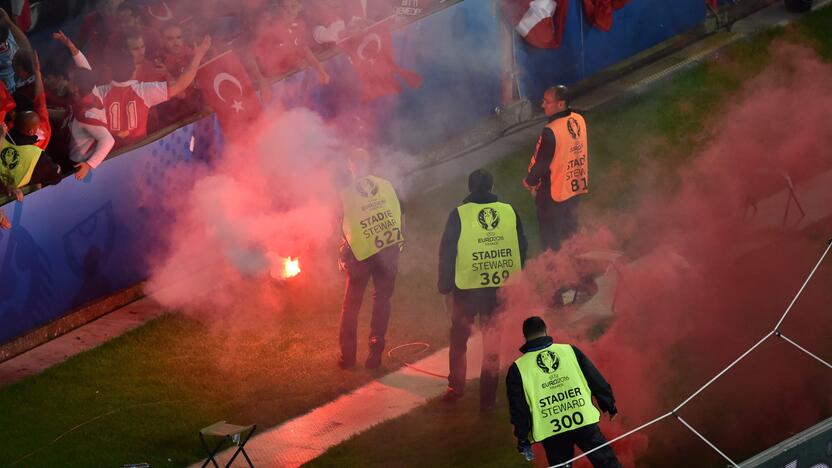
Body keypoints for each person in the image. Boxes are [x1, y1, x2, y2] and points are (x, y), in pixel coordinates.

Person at [438, 169, 528, 411]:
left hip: (466, 290)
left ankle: (455, 387)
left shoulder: (458, 215)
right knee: (492, 342)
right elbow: (521, 246)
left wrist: (445, 286)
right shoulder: (509, 212)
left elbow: (447, 252)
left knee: (458, 338)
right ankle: (488, 402)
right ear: (491, 186)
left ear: (470, 187)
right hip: (497, 290)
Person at [506, 316, 621, 467]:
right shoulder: (570, 351)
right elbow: (595, 379)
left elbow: (518, 408)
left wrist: (522, 437)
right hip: (583, 420)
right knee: (607, 463)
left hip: (552, 431)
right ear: (545, 330)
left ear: (525, 337)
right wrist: (608, 404)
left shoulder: (517, 368)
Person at [337, 148, 403, 370]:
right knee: (382, 301)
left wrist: (344, 255)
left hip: (361, 255)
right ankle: (375, 352)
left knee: (351, 307)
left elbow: (346, 228)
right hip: (388, 250)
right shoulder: (386, 186)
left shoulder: (348, 194)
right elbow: (400, 214)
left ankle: (347, 358)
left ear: (351, 165)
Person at [93, 35, 211, 147]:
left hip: (109, 155)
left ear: (111, 71)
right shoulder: (143, 91)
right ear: (134, 71)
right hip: (138, 150)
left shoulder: (98, 93)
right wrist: (199, 55)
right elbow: (181, 85)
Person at [525, 84, 588, 253]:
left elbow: (541, 164)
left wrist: (530, 181)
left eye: (547, 102)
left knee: (551, 243)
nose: (542, 105)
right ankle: (578, 272)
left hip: (553, 195)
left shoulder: (551, 131)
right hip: (575, 189)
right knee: (571, 236)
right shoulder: (578, 120)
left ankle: (556, 276)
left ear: (560, 104)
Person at [0, 52, 61, 201]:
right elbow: (40, 98)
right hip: (32, 177)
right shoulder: (43, 125)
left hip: (6, 191)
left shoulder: (5, 136)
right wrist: (38, 73)